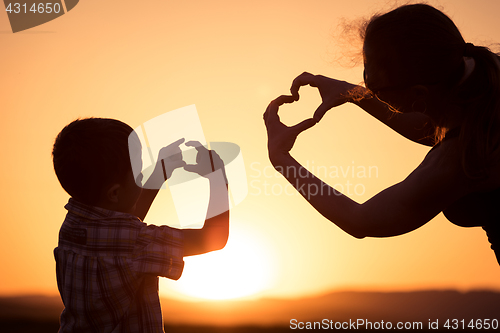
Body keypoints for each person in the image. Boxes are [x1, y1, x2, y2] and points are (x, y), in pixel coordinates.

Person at [264, 3, 500, 265]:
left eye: (374, 86)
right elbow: (427, 127)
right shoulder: (483, 79)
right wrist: (353, 93)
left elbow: (360, 219)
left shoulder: (461, 160)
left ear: (419, 94)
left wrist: (281, 158)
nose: (367, 84)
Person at [52, 118, 229, 332]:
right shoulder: (136, 243)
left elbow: (122, 222)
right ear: (114, 192)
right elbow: (213, 239)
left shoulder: (72, 224)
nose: (143, 174)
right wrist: (218, 179)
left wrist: (160, 173)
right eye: (138, 171)